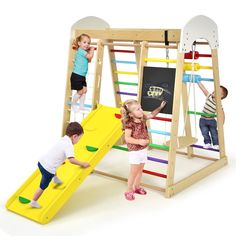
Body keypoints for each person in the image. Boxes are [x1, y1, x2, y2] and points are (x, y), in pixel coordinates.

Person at [30, 122, 90, 208]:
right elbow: (71, 160)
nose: (78, 141)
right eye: (79, 138)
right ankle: (33, 201)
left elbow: (58, 152)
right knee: (42, 187)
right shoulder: (69, 145)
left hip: (41, 162)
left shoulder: (63, 139)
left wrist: (61, 160)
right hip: (48, 170)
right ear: (75, 136)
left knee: (54, 166)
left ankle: (55, 179)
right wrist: (83, 164)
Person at [120, 99, 166, 201]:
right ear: (131, 114)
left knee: (140, 170)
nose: (141, 110)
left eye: (140, 108)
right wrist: (139, 141)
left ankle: (136, 187)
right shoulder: (129, 124)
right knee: (134, 172)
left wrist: (160, 107)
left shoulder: (142, 118)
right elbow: (127, 138)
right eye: (137, 109)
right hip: (135, 151)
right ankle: (128, 190)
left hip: (142, 150)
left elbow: (152, 115)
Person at [197, 82, 228, 149]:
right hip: (202, 120)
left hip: (211, 120)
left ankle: (216, 144)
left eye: (218, 91)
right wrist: (198, 82)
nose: (214, 91)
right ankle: (207, 143)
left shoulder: (218, 104)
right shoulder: (209, 96)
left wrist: (221, 124)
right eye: (215, 89)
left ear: (221, 96)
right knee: (204, 132)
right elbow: (204, 89)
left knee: (214, 133)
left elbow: (222, 114)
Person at [70, 34, 94, 112]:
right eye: (84, 42)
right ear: (79, 43)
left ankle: (81, 106)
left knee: (85, 90)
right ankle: (73, 104)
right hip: (77, 75)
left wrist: (90, 52)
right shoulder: (80, 51)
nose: (87, 44)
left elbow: (89, 60)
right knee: (80, 91)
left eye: (88, 43)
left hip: (82, 76)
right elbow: (89, 57)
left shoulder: (84, 52)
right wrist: (92, 51)